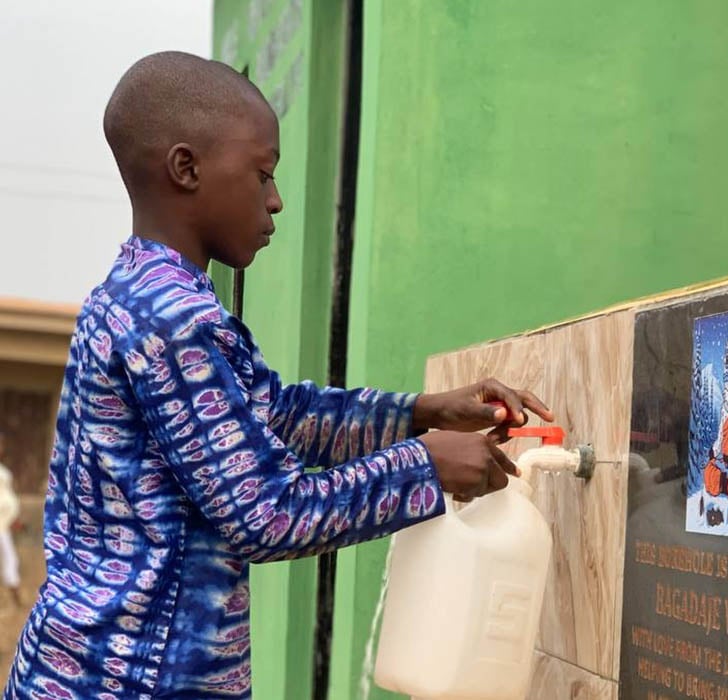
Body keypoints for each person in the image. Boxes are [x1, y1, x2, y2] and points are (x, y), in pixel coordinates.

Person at [3, 52, 554, 699]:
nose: (276, 200)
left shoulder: (138, 296)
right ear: (187, 169)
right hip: (129, 681)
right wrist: (422, 467)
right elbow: (266, 513)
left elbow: (274, 414)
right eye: (261, 174)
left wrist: (423, 412)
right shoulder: (174, 319)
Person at [0, 433, 21, 609]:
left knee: (9, 558)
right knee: (9, 557)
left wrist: (13, 518)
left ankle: (15, 598)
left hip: (3, 524)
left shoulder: (4, 472)